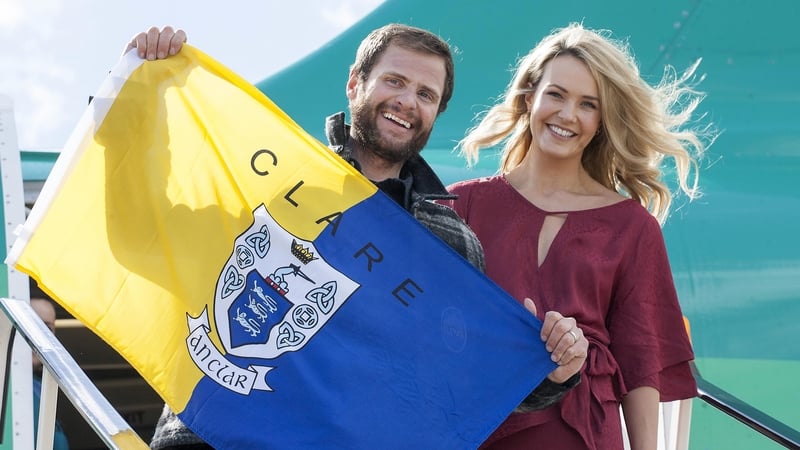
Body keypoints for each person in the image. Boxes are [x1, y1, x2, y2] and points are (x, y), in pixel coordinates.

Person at [125, 25, 588, 449]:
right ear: (355, 83)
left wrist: (552, 366)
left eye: (426, 94)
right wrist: (133, 104)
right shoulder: (270, 175)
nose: (408, 101)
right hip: (206, 436)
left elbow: (462, 382)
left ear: (436, 114)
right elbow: (140, 231)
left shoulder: (450, 242)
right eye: (395, 81)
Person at [441, 23, 710, 449]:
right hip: (477, 425)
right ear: (530, 96)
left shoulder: (633, 227)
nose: (568, 115)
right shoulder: (460, 205)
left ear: (603, 122)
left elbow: (641, 367)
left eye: (588, 104)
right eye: (556, 94)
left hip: (583, 434)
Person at [30, 294, 71, 449]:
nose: (38, 335)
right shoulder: (7, 389)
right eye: (32, 324)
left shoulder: (44, 387)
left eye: (47, 328)